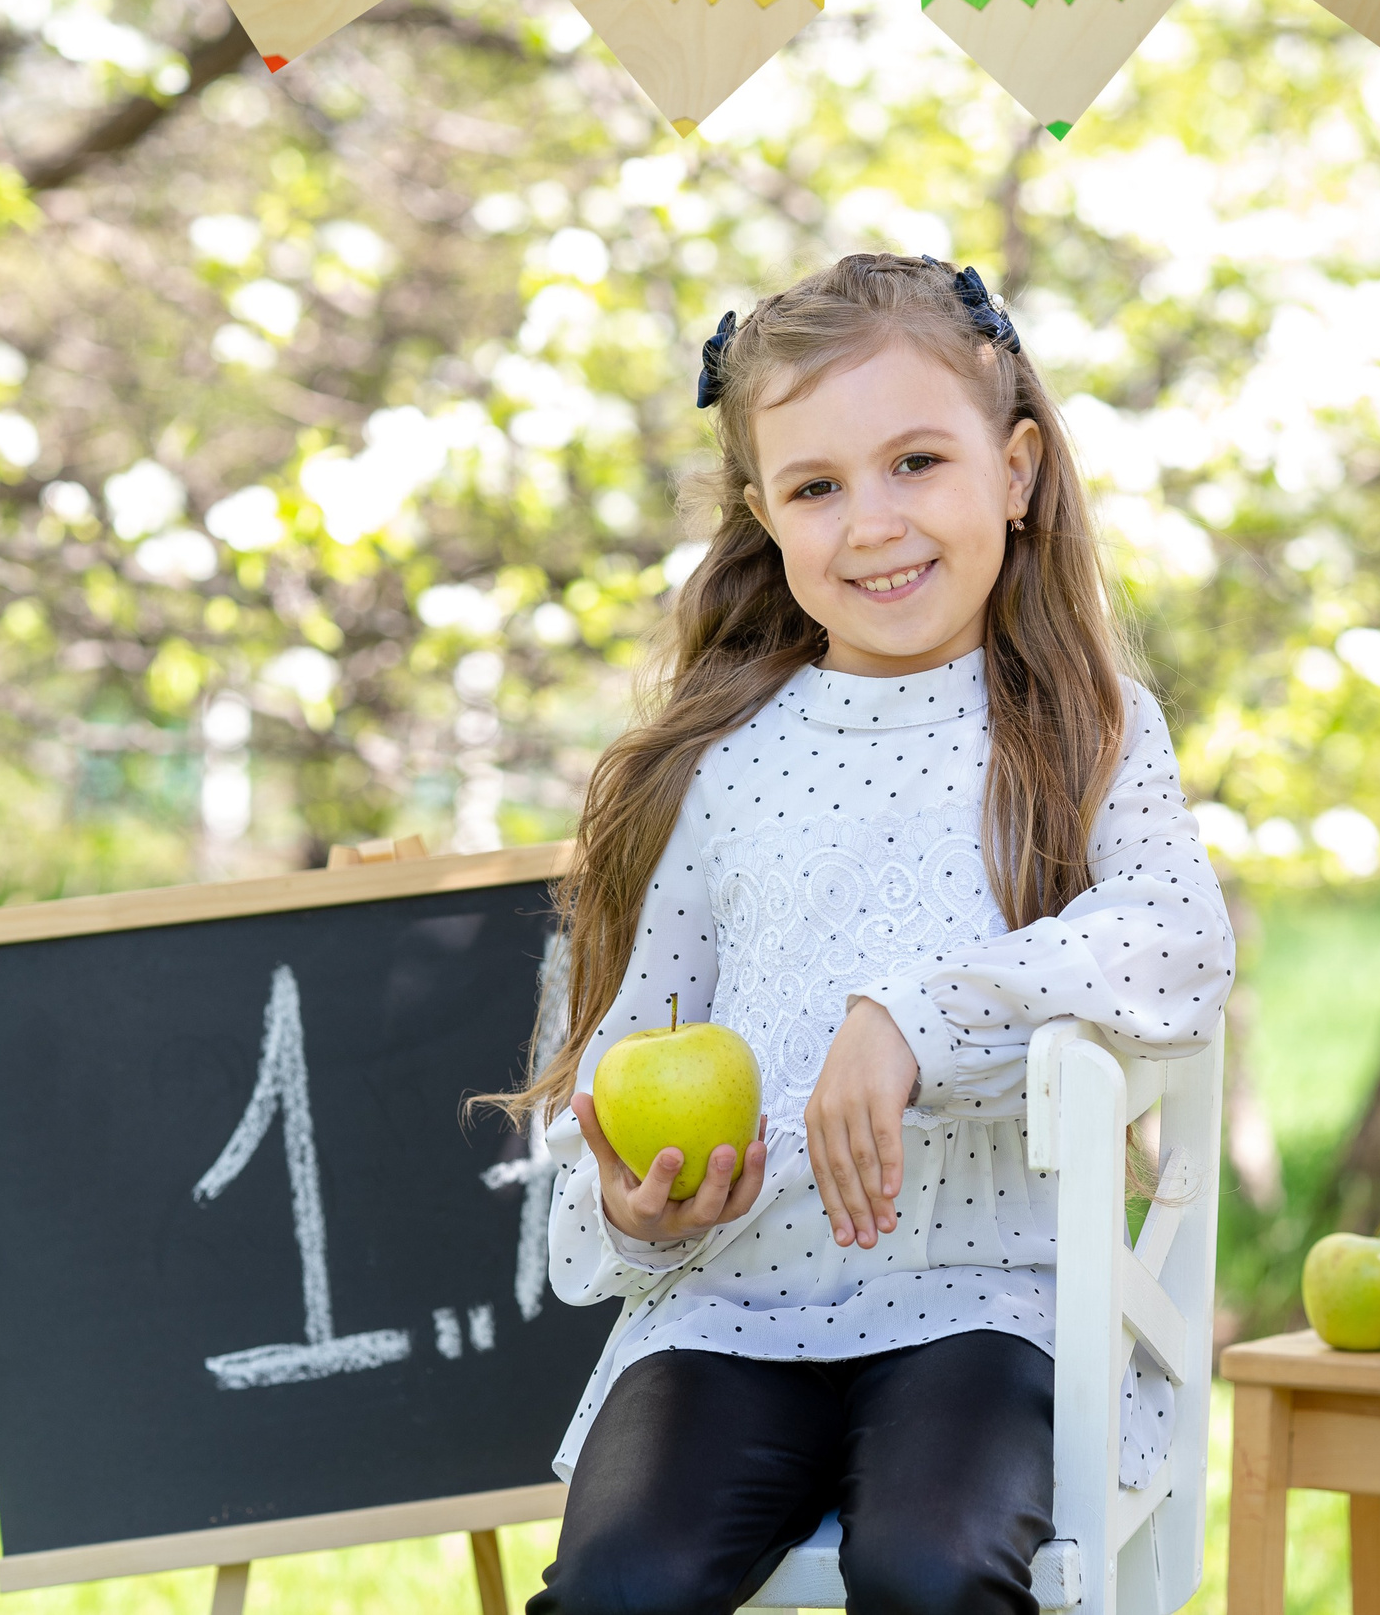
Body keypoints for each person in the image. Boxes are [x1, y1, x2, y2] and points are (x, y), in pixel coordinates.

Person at [502, 253, 1233, 1615]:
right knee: (619, 1585)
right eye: (818, 487)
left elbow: (1180, 946)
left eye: (916, 462)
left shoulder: (1085, 725)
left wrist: (917, 1014)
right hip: (734, 1306)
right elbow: (612, 1065)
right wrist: (631, 1205)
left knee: (933, 1568)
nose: (874, 522)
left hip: (985, 1303)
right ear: (764, 516)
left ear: (1014, 472)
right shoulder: (714, 769)